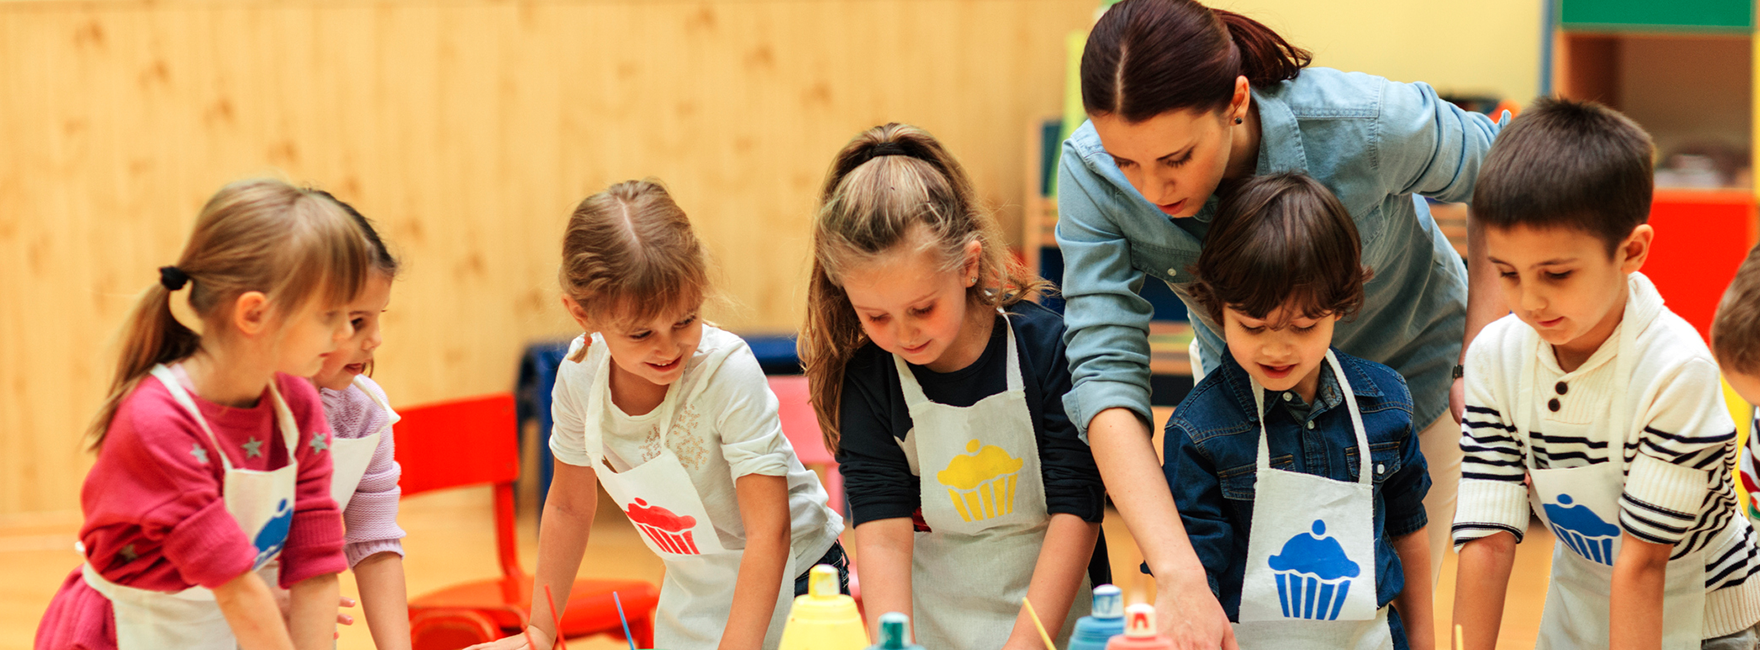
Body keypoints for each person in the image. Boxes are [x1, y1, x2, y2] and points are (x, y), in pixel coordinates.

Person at [1055, 0, 1501, 640]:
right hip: (1247, 413)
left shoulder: (1365, 124)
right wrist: (1178, 573)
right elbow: (1105, 372)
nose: (1151, 190)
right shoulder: (1090, 170)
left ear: (1236, 101)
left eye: (1177, 157)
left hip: (1414, 382)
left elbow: (1505, 172)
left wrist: (1479, 354)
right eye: (1129, 162)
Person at [470, 180, 845, 650]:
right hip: (696, 587)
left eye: (685, 320)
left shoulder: (726, 373)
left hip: (800, 576)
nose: (668, 347)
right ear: (583, 314)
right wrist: (541, 631)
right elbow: (567, 507)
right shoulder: (578, 378)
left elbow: (771, 533)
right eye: (641, 333)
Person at [1452, 97, 1760, 649]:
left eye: (1557, 273)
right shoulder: (1494, 358)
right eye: (1506, 273)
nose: (1529, 300)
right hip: (1581, 601)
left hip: (1708, 615)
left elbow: (1644, 563)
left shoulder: (1675, 371)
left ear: (1632, 251)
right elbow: (1488, 534)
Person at [800, 123, 1109, 649]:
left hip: (1056, 631)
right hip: (933, 633)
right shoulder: (870, 383)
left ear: (968, 265)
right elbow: (883, 537)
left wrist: (1026, 644)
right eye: (875, 316)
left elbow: (1077, 511)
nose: (902, 334)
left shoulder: (1047, 351)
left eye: (922, 308)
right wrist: (895, 642)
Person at [35, 179, 370, 650]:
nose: (343, 335)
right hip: (125, 634)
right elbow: (238, 590)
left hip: (221, 628)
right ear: (254, 314)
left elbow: (315, 563)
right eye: (330, 315)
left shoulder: (298, 404)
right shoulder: (157, 422)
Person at [1163, 173, 1431, 649]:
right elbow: (1192, 577)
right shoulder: (1199, 431)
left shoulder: (1386, 402)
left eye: (1304, 327)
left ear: (1340, 307)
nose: (1277, 349)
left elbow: (1408, 530)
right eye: (1253, 326)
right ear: (1218, 307)